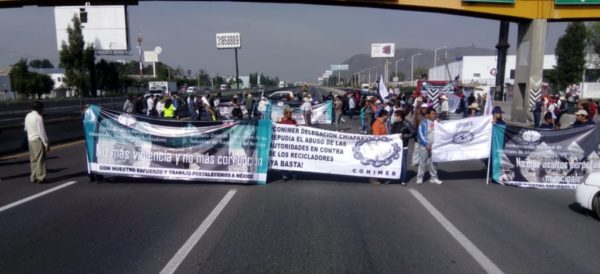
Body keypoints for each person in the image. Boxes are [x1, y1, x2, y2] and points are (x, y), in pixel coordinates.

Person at [25, 101, 49, 184]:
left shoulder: (28, 116)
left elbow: (25, 128)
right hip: (37, 140)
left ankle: (33, 176)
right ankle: (41, 177)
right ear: (39, 108)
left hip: (30, 140)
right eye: (42, 108)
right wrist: (46, 143)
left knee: (33, 160)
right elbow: (41, 132)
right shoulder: (38, 117)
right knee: (40, 159)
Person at [416, 107, 442, 185]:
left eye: (435, 113)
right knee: (422, 162)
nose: (434, 115)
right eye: (433, 113)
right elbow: (420, 135)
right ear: (427, 115)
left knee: (434, 162)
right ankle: (420, 178)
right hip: (425, 146)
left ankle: (434, 177)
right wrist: (426, 144)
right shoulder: (423, 123)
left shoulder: (438, 123)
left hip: (435, 146)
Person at [391, 110, 416, 186]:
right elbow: (391, 133)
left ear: (400, 116)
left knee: (403, 164)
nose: (394, 117)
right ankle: (394, 177)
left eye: (395, 116)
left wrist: (404, 136)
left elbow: (414, 132)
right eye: (394, 115)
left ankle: (403, 179)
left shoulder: (406, 123)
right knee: (394, 162)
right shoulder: (394, 124)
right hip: (395, 146)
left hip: (403, 146)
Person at [277, 107, 297, 181]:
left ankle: (293, 173)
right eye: (290, 113)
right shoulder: (280, 120)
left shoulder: (293, 121)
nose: (291, 114)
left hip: (292, 143)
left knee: (292, 159)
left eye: (292, 113)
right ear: (285, 113)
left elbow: (298, 130)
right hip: (283, 144)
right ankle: (284, 174)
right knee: (284, 158)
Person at [369, 109, 388, 184]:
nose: (387, 117)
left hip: (382, 145)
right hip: (377, 145)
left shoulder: (383, 123)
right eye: (387, 116)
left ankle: (379, 177)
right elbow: (376, 136)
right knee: (376, 162)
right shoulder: (377, 123)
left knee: (381, 162)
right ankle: (373, 178)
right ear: (384, 115)